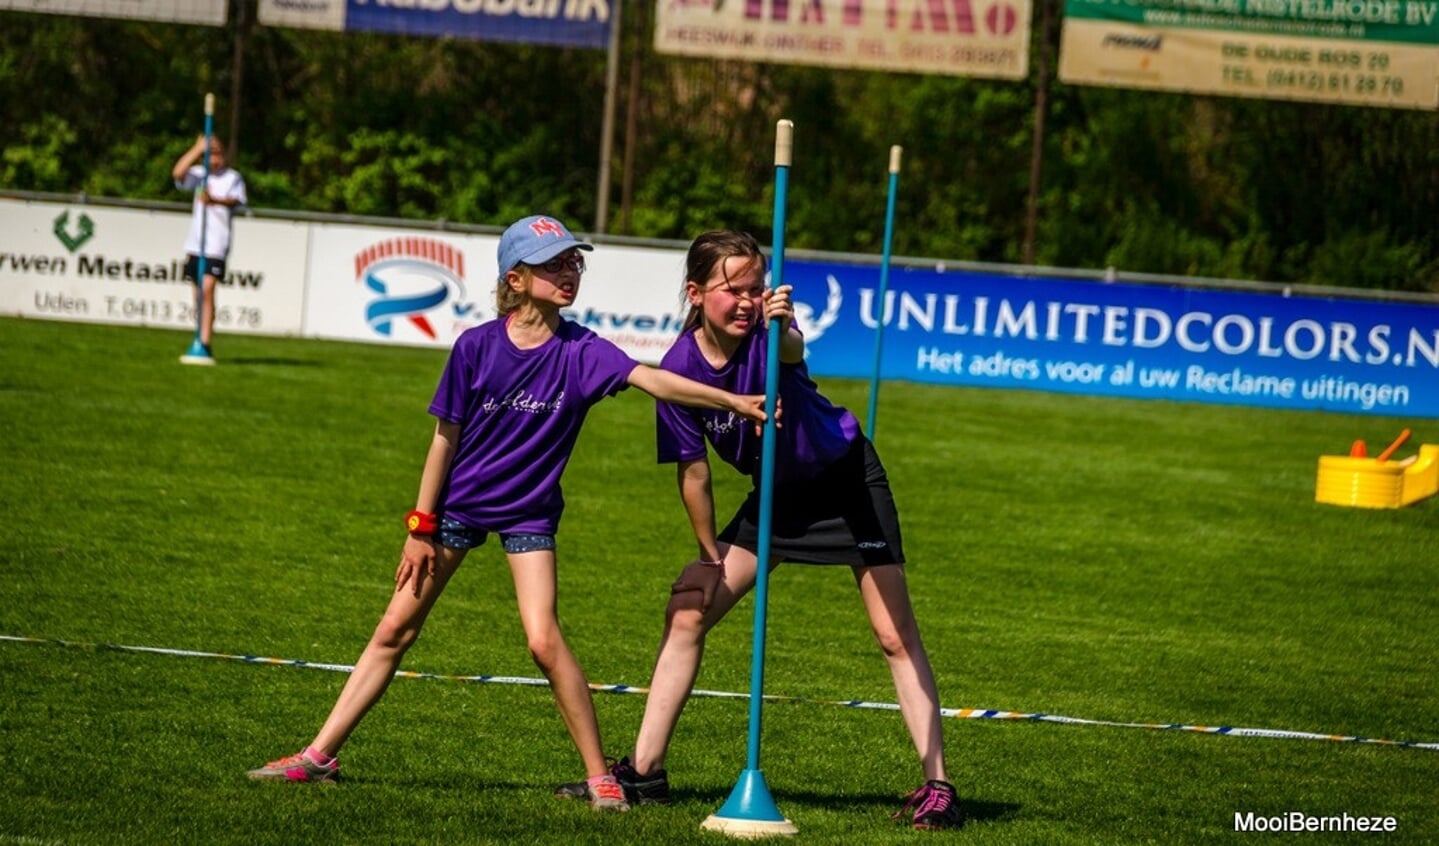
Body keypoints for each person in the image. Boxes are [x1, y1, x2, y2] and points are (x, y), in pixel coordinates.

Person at [246, 216, 768, 812]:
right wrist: (420, 527)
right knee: (394, 630)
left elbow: (657, 380)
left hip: (529, 517)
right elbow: (443, 442)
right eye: (555, 264)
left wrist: (730, 400)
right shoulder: (475, 347)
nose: (569, 272)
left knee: (544, 641)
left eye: (574, 262)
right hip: (456, 512)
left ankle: (601, 777)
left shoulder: (584, 351)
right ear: (516, 279)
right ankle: (317, 756)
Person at [558, 230, 961, 829]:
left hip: (845, 481)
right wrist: (707, 555)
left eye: (755, 288)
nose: (747, 301)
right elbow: (693, 474)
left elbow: (794, 352)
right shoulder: (679, 371)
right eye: (732, 289)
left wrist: (786, 324)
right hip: (775, 499)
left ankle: (938, 787)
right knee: (688, 607)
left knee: (893, 634)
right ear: (696, 293)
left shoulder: (771, 336)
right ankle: (645, 772)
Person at [172, 134, 246, 362]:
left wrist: (214, 200)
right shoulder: (198, 174)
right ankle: (199, 337)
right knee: (197, 293)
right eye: (210, 154)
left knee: (208, 289)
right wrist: (196, 148)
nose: (215, 159)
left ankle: (205, 341)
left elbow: (236, 200)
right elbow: (177, 173)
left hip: (216, 244)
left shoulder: (232, 178)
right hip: (196, 244)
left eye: (218, 154)